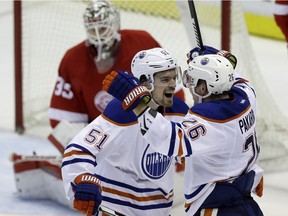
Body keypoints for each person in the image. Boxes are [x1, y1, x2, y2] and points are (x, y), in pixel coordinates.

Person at [103, 46, 264, 215]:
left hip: (219, 206)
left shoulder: (212, 122)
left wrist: (138, 103)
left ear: (203, 89)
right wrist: (217, 58)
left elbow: (167, 139)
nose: (188, 88)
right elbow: (237, 79)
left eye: (192, 82)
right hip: (245, 198)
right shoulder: (247, 96)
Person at [61, 47, 189, 216]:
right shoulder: (121, 113)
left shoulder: (178, 111)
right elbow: (78, 149)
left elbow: (195, 151)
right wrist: (82, 177)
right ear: (145, 82)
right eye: (165, 79)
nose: (173, 84)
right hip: (115, 209)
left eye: (174, 77)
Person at [47, 0, 185, 154]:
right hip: (100, 136)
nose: (98, 35)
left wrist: (167, 136)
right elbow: (63, 118)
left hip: (146, 132)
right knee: (63, 132)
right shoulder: (72, 59)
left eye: (103, 28)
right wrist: (85, 149)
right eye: (94, 29)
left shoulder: (142, 42)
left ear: (115, 24)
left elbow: (173, 96)